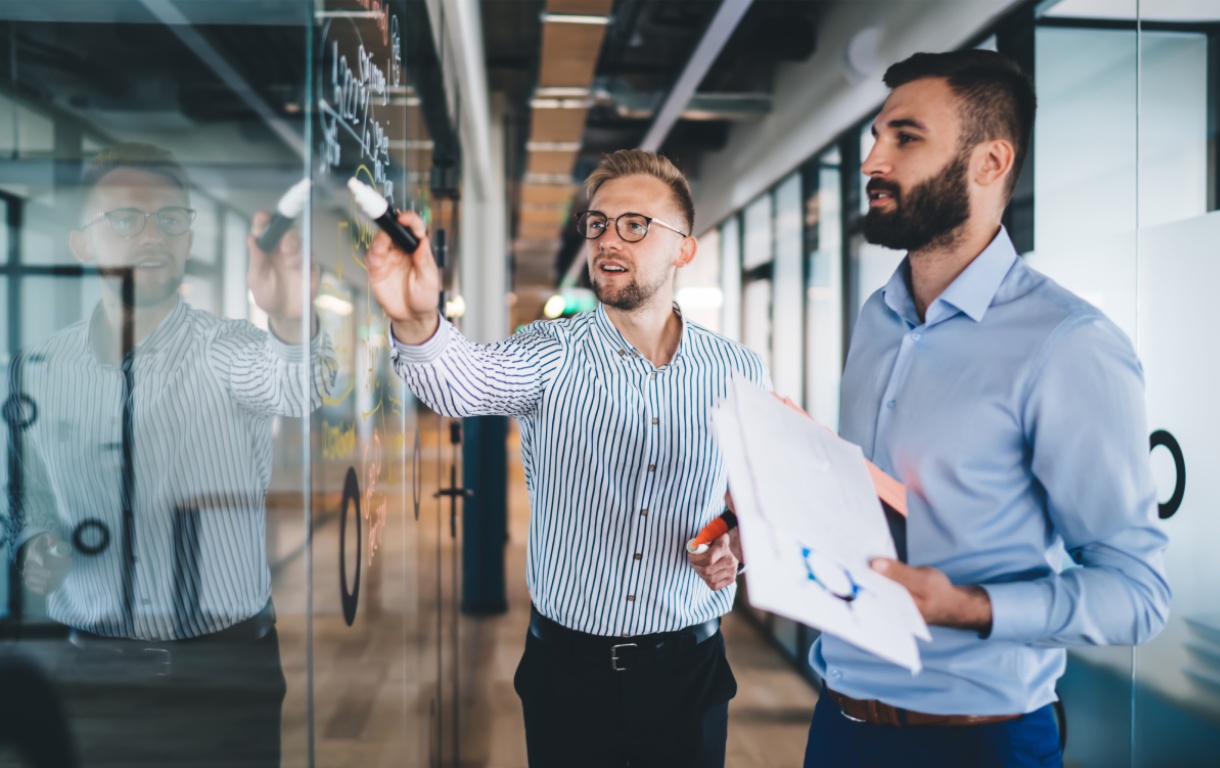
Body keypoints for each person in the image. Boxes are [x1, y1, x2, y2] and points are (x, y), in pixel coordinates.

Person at [801, 50, 1171, 767]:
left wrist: (967, 606)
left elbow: (1138, 593)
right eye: (876, 136)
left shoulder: (1068, 344)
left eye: (905, 137)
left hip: (980, 741)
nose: (872, 158)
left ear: (990, 161)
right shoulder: (877, 318)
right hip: (839, 720)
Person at [369, 149, 770, 767]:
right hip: (570, 673)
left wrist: (726, 543)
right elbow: (461, 383)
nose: (609, 239)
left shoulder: (738, 369)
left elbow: (749, 499)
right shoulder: (550, 352)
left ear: (683, 249)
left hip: (689, 670)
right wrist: (420, 317)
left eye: (635, 225)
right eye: (598, 223)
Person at [3, 143, 334, 766]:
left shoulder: (230, 349)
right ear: (83, 244)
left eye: (171, 220)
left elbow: (302, 385)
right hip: (88, 673)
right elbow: (23, 497)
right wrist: (32, 545)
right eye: (126, 220)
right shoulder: (36, 369)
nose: (152, 235)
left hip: (226, 672)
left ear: (188, 241)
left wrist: (290, 314)